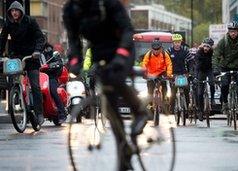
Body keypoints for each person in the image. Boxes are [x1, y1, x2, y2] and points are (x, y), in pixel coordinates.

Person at [63, 0, 149, 170]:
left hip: (122, 48)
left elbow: (127, 30)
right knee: (111, 109)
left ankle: (140, 112)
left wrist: (121, 55)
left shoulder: (107, 3)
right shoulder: (70, 10)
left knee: (114, 77)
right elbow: (74, 41)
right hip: (98, 52)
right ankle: (124, 154)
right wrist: (74, 61)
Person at [0, 1, 45, 125]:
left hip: (31, 57)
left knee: (35, 86)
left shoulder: (30, 21)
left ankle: (39, 113)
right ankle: (17, 94)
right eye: (12, 11)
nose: (14, 13)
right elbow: (2, 40)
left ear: (21, 11)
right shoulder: (8, 24)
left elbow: (40, 38)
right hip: (16, 57)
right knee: (12, 80)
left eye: (16, 10)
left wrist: (37, 51)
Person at [212, 21, 238, 115]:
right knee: (225, 84)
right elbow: (216, 56)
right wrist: (215, 68)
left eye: (235, 31)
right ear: (228, 31)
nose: (233, 33)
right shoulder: (223, 41)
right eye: (231, 31)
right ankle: (225, 103)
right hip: (225, 67)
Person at [42, 40, 67, 124]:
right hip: (38, 77)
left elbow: (59, 63)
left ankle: (62, 114)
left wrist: (49, 66)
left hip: (50, 77)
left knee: (53, 91)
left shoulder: (51, 52)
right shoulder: (32, 53)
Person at [167, 34, 192, 114]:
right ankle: (172, 107)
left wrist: (190, 72)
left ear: (181, 42)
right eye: (175, 42)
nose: (177, 44)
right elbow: (165, 63)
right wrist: (167, 73)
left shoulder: (185, 50)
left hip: (183, 73)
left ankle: (187, 106)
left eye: (179, 42)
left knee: (186, 90)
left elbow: (191, 62)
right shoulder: (169, 51)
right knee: (173, 92)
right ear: (173, 42)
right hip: (173, 74)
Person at [195, 37, 215, 121]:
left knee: (212, 83)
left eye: (208, 46)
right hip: (201, 70)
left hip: (209, 70)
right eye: (205, 46)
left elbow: (215, 62)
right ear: (203, 45)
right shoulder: (199, 52)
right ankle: (200, 111)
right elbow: (197, 66)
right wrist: (196, 76)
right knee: (200, 92)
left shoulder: (213, 53)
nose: (206, 48)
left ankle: (212, 99)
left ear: (211, 47)